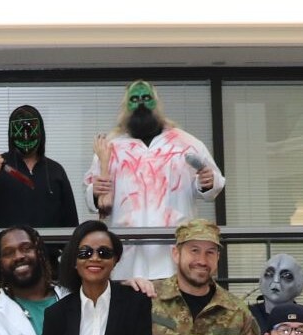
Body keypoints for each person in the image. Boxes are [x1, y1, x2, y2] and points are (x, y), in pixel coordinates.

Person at [90, 82, 222, 283]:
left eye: (146, 98)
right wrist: (95, 191)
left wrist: (206, 183)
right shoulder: (112, 148)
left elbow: (212, 184)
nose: (141, 104)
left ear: (157, 104)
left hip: (174, 256)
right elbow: (95, 198)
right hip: (128, 258)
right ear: (125, 106)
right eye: (135, 100)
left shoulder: (185, 143)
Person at [0, 105, 80, 233]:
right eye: (20, 131)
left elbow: (71, 223)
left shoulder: (55, 171)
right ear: (12, 133)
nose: (26, 136)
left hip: (47, 251)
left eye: (30, 130)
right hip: (4, 250)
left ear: (40, 132)